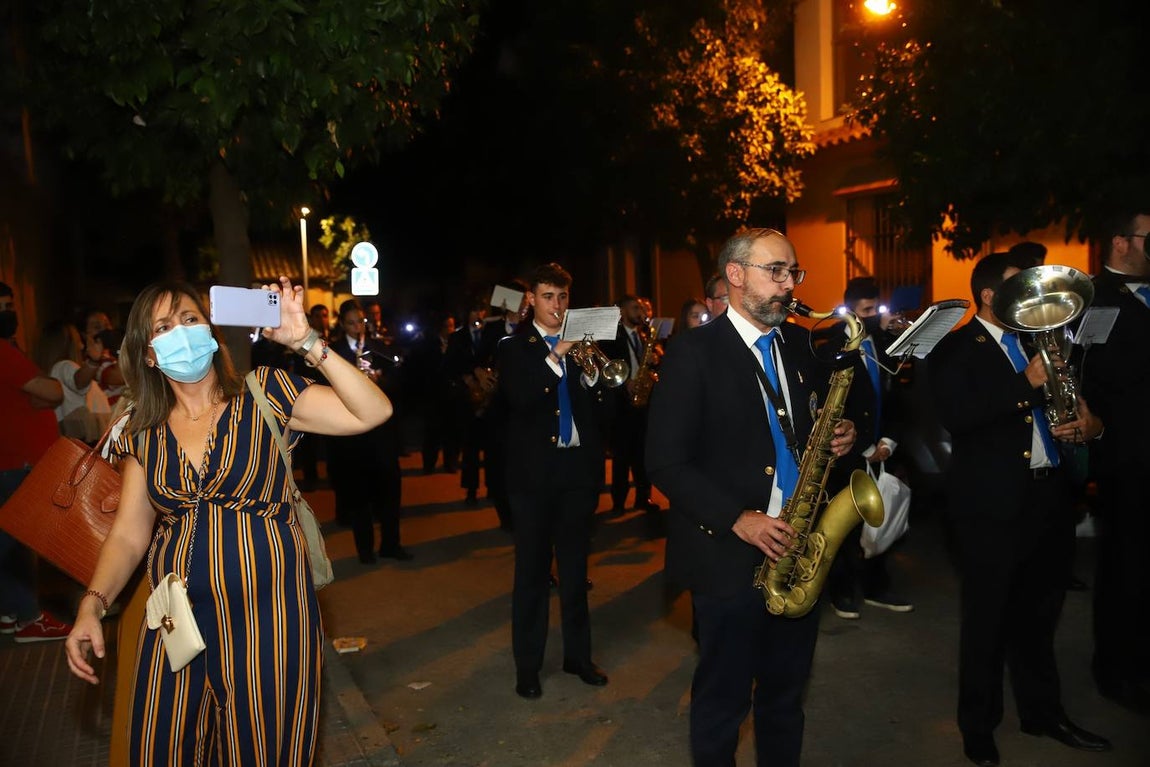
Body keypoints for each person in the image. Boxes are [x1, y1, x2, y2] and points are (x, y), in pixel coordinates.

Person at [63, 277, 393, 764]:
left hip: (271, 619)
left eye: (190, 319)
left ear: (212, 332)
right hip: (177, 622)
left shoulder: (265, 393)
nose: (181, 332)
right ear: (148, 354)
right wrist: (92, 605)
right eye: (163, 327)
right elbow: (130, 534)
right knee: (160, 748)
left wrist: (306, 341)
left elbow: (373, 411)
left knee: (267, 750)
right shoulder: (142, 430)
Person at [646, 228, 859, 767]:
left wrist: (841, 435)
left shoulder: (799, 344)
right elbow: (665, 462)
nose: (789, 284)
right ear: (736, 276)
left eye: (793, 272)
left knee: (785, 700)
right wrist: (737, 518)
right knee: (723, 703)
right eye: (776, 271)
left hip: (797, 545)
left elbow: (806, 426)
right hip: (727, 554)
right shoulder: (692, 352)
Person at [927, 252, 1110, 766]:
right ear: (989, 296)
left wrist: (1087, 425)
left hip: (1049, 498)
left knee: (1040, 616)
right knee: (987, 621)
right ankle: (978, 726)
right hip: (989, 505)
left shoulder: (1040, 341)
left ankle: (1043, 713)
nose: (1033, 300)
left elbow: (1074, 404)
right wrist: (1024, 383)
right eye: (1019, 289)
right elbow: (957, 415)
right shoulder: (954, 346)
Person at [499, 262, 612, 700]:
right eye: (548, 296)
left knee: (576, 572)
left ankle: (578, 658)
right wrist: (556, 355)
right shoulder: (514, 347)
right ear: (531, 299)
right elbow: (522, 398)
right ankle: (527, 667)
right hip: (532, 478)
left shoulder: (582, 345)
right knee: (531, 574)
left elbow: (603, 410)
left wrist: (594, 377)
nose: (557, 305)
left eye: (563, 297)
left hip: (576, 473)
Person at [1077, 209, 1150, 714]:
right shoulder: (1094, 298)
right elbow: (1089, 377)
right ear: (1121, 242)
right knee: (1127, 567)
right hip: (1128, 457)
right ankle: (1118, 669)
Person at [824, 277, 914, 619]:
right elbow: (833, 406)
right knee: (844, 528)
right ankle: (841, 590)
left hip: (882, 449)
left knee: (881, 521)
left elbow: (896, 397)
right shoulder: (832, 344)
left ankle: (876, 586)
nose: (873, 316)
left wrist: (888, 441)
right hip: (848, 453)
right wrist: (863, 446)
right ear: (849, 310)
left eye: (876, 309)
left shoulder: (884, 342)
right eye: (866, 310)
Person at [0, 282, 73, 643]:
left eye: (9, 305)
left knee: (14, 543)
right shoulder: (3, 351)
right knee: (13, 544)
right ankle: (28, 616)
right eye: (2, 307)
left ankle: (13, 614)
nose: (8, 313)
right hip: (14, 463)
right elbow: (52, 391)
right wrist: (42, 392)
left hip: (14, 461)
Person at [326, 299, 410, 562]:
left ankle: (391, 544)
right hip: (352, 433)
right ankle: (365, 550)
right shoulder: (333, 352)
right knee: (358, 493)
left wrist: (378, 379)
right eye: (351, 323)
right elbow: (324, 388)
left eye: (360, 322)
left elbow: (398, 384)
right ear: (342, 324)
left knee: (390, 490)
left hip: (382, 432)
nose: (357, 327)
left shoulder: (379, 347)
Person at [605, 294, 660, 516]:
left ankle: (643, 498)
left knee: (642, 454)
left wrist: (654, 360)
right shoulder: (612, 338)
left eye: (640, 308)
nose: (640, 312)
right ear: (622, 312)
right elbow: (607, 368)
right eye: (634, 308)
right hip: (622, 404)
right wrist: (625, 383)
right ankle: (618, 503)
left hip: (642, 401)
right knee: (621, 456)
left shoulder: (642, 335)